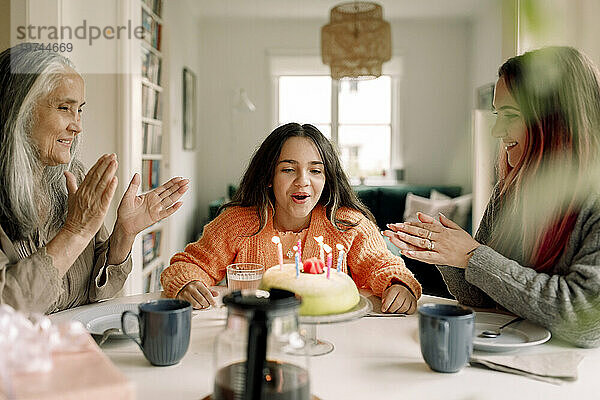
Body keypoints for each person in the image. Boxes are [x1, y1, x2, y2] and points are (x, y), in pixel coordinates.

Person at [384, 46, 600, 347]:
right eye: (497, 114)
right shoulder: (510, 188)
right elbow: (481, 296)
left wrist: (471, 255)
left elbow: (587, 319)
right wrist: (446, 253)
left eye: (509, 115)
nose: (497, 130)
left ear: (555, 119)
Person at [0, 44, 189, 314]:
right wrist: (75, 233)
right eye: (64, 107)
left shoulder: (73, 177)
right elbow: (5, 309)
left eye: (80, 110)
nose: (77, 125)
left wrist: (125, 232)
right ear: (18, 111)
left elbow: (96, 290)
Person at [161, 123, 422, 313]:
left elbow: (384, 266)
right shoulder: (237, 223)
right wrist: (189, 282)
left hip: (333, 341)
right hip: (256, 336)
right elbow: (189, 264)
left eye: (315, 170)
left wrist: (398, 285)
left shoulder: (348, 224)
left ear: (327, 179)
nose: (302, 181)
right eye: (288, 169)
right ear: (268, 178)